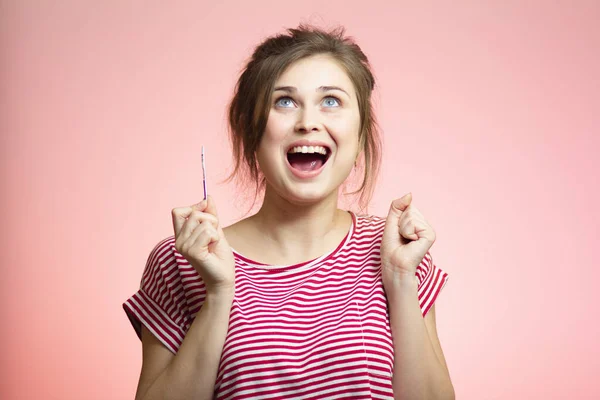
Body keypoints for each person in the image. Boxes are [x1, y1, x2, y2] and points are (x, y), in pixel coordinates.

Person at [123, 24, 455, 400]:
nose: (307, 122)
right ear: (250, 130)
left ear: (360, 134)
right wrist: (218, 294)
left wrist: (400, 279)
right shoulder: (183, 260)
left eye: (331, 101)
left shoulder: (398, 251)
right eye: (284, 101)